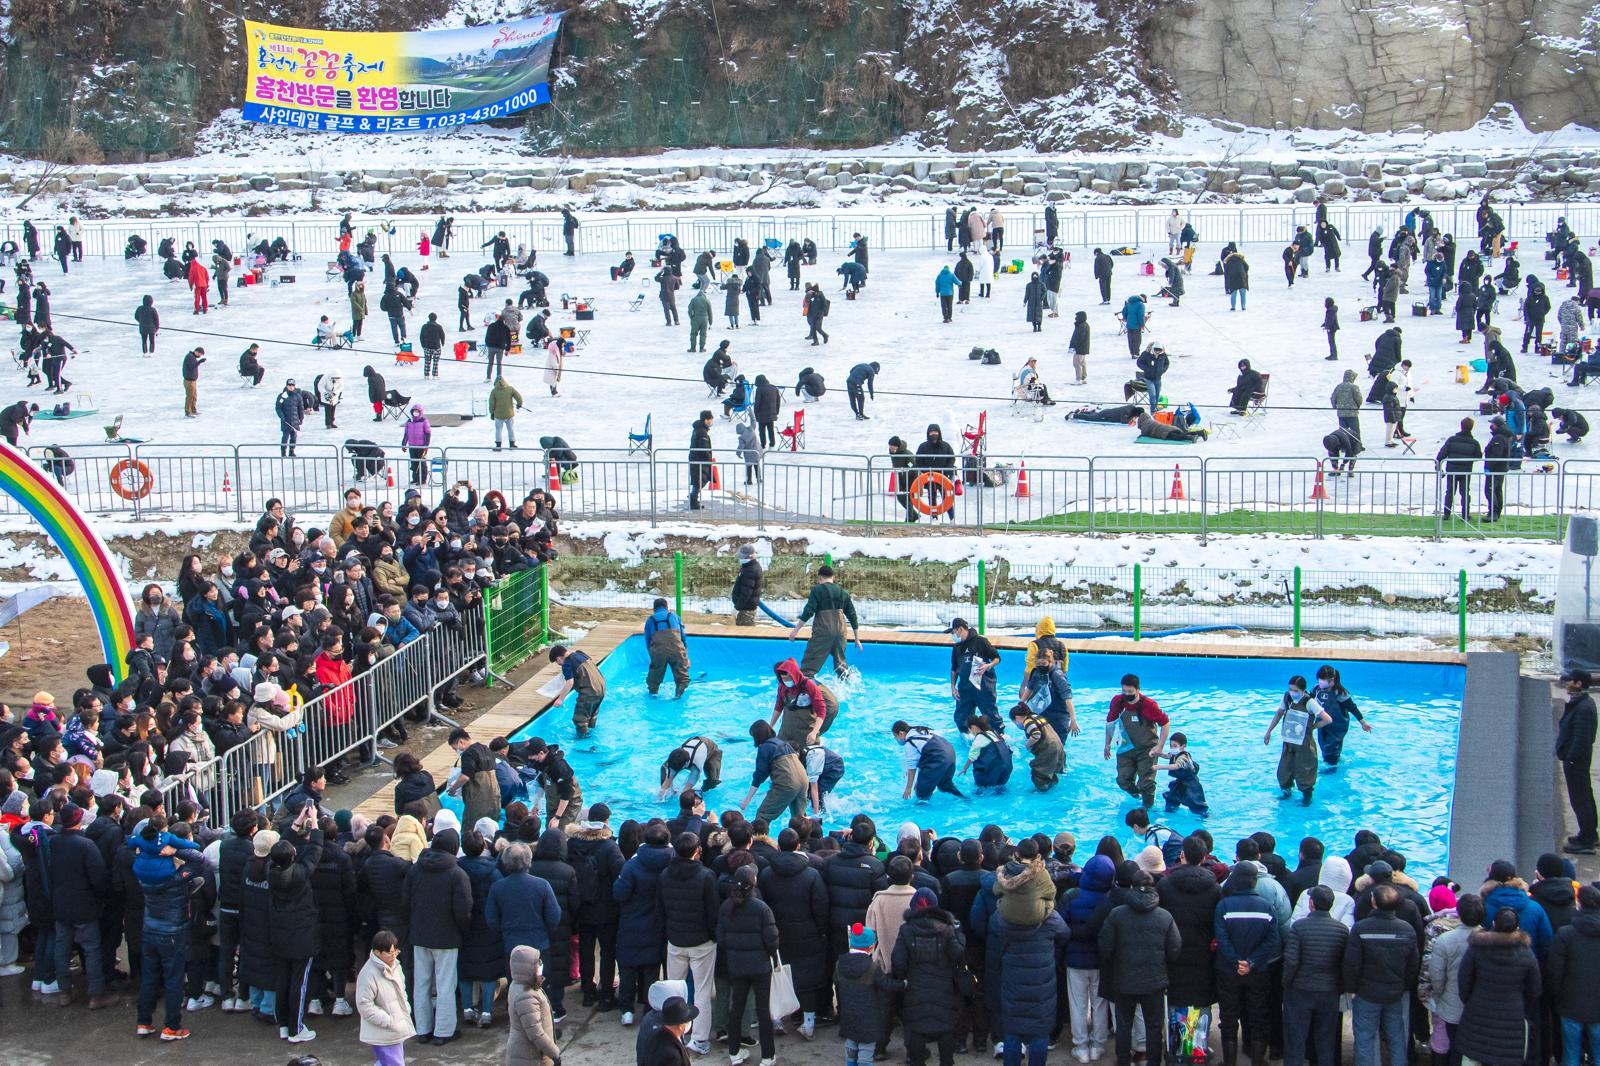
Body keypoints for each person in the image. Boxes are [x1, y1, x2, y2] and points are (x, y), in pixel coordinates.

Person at [1098, 867, 1180, 1066]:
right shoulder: (1164, 916)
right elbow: (1175, 948)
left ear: (1132, 887)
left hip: (1124, 978)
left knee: (1124, 1025)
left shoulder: (1117, 914)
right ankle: (1153, 1061)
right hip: (1155, 980)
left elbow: (1105, 946)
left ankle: (1123, 1060)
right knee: (1154, 1025)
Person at [404, 826, 472, 1046]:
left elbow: (405, 900)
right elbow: (463, 910)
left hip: (419, 934)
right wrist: (463, 930)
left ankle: (422, 1028)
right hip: (447, 936)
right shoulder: (457, 874)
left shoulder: (416, 869)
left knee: (421, 983)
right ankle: (444, 1030)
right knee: (445, 985)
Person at [1455, 907, 1540, 1066]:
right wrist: (1522, 1007)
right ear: (1517, 928)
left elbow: (1464, 981)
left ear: (1493, 924)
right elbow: (1535, 989)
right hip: (1512, 1018)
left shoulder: (1477, 948)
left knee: (1472, 1057)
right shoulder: (1525, 953)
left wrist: (1470, 1001)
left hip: (1477, 1013)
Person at [1215, 862, 1280, 1066]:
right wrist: (1251, 962)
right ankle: (1258, 1060)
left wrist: (1236, 961)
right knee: (1258, 1016)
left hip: (1228, 970)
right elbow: (1272, 940)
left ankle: (1229, 1062)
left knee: (1229, 1018)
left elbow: (1221, 938)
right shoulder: (1266, 906)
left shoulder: (1224, 906)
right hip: (1258, 971)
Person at [717, 865, 780, 1065]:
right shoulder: (762, 908)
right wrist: (773, 957)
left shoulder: (727, 906)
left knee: (737, 1007)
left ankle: (734, 1052)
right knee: (763, 1011)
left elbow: (721, 937)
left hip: (736, 964)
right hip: (760, 966)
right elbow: (772, 939)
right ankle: (768, 1055)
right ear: (754, 884)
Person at [1282, 885, 1349, 1066]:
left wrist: (1286, 984)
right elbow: (1344, 963)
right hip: (1329, 991)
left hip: (1300, 989)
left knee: (1295, 1040)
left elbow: (1292, 961)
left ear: (1311, 904)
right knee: (1326, 1041)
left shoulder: (1299, 927)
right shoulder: (1342, 930)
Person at [1548, 884, 1600, 1066]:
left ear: (1579, 904)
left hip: (1571, 1004)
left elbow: (1556, 971)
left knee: (1571, 1054)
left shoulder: (1566, 933)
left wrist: (1557, 995)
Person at [1264, 675, 1333, 806]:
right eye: (1290, 689)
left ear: (1303, 690)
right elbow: (1279, 713)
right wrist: (1269, 731)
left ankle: (1307, 797)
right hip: (1289, 743)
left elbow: (1328, 719)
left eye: (1295, 690)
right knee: (1284, 769)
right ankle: (1286, 791)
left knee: (1305, 770)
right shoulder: (1287, 698)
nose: (1292, 692)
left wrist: (1313, 727)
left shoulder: (1310, 702)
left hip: (1304, 745)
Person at [1105, 674, 1170, 809]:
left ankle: (1148, 809)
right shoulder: (1118, 701)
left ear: (1137, 690)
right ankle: (1137, 794)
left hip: (1147, 750)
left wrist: (1159, 746)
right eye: (1124, 691)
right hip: (1125, 748)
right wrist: (1107, 744)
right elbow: (1110, 723)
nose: (1127, 694)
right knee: (1123, 781)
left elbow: (1165, 723)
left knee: (1146, 783)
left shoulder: (1149, 705)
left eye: (1130, 692)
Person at [788, 565, 862, 678]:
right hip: (841, 633)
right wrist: (857, 638)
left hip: (823, 633)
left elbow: (808, 611)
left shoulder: (817, 590)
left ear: (820, 578)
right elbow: (852, 615)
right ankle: (848, 687)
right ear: (833, 577)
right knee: (841, 668)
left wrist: (795, 630)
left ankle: (806, 692)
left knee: (807, 669)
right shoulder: (843, 592)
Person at [356, 929, 415, 1065]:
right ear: (377, 952)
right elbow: (364, 1005)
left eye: (396, 952)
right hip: (383, 1032)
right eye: (390, 953)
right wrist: (389, 1021)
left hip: (395, 1029)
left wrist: (405, 1008)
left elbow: (402, 990)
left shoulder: (396, 966)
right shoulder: (368, 974)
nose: (394, 956)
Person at [1557, 669, 1598, 854]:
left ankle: (1587, 839)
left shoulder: (1584, 708)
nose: (1567, 683)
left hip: (1576, 762)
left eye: (1570, 681)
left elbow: (1582, 738)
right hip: (1576, 760)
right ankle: (1588, 834)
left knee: (1581, 800)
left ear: (1579, 683)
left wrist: (1571, 758)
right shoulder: (1581, 704)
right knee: (1584, 797)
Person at [740, 720, 809, 824]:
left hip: (788, 782)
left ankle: (760, 840)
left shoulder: (764, 747)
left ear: (757, 736)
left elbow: (760, 775)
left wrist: (748, 799)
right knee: (800, 820)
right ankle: (806, 839)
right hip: (804, 779)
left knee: (762, 816)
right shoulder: (783, 743)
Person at [948, 617, 1001, 732]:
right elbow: (954, 669)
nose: (952, 635)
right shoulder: (956, 647)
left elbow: (997, 658)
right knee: (960, 719)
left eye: (953, 632)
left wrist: (988, 666)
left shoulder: (980, 641)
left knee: (991, 717)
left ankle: (999, 737)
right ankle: (969, 739)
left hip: (983, 687)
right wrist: (953, 687)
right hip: (965, 688)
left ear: (960, 629)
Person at [893, 721, 964, 801]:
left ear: (901, 733)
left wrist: (908, 788)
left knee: (922, 795)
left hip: (939, 757)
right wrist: (919, 782)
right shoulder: (919, 730)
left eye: (895, 736)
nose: (896, 739)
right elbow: (923, 758)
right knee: (945, 785)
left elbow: (912, 768)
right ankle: (965, 799)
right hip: (950, 753)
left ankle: (921, 811)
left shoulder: (909, 743)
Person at [1008, 704, 1065, 791]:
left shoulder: (1027, 722)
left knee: (1038, 773)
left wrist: (1028, 744)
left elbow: (1036, 734)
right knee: (1050, 770)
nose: (1016, 724)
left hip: (1048, 750)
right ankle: (1051, 786)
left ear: (1017, 717)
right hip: (1058, 747)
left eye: (1014, 721)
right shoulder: (1037, 717)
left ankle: (1042, 792)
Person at [1437, 418, 1482, 520]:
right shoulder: (1474, 443)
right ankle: (1465, 514)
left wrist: (1438, 465)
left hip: (1452, 469)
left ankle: (1446, 514)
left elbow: (1442, 454)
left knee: (1450, 492)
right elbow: (1478, 456)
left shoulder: (1452, 440)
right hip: (1466, 470)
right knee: (1465, 492)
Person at [960, 715, 1014, 792]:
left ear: (973, 727)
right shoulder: (993, 732)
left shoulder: (979, 738)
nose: (969, 731)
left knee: (980, 790)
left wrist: (964, 768)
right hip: (1007, 769)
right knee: (1000, 788)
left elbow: (972, 756)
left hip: (992, 771)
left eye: (969, 729)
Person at [731, 543, 763, 626]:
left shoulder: (750, 570)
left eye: (743, 557)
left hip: (746, 609)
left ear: (751, 557)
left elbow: (746, 593)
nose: (741, 559)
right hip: (745, 607)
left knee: (745, 632)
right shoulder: (747, 566)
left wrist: (737, 608)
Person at [688, 410, 713, 511]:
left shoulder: (699, 429)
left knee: (698, 481)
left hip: (696, 459)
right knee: (698, 482)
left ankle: (694, 499)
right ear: (706, 420)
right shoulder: (702, 432)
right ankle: (693, 501)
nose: (712, 421)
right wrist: (709, 458)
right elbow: (703, 448)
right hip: (699, 460)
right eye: (711, 419)